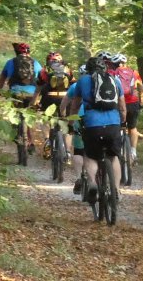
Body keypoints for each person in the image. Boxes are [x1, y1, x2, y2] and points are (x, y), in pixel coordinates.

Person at [66, 57, 126, 204]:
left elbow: (75, 106)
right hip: (113, 124)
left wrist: (71, 123)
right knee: (113, 157)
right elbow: (123, 107)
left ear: (87, 69)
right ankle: (116, 190)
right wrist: (122, 123)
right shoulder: (115, 80)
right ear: (104, 68)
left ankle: (92, 183)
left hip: (92, 124)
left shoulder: (82, 81)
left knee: (90, 155)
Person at [0, 42, 43, 162]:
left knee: (16, 117)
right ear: (29, 52)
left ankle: (18, 135)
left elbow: (3, 78)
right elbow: (43, 78)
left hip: (16, 94)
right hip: (31, 95)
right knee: (28, 117)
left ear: (16, 53)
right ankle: (30, 141)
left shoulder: (10, 62)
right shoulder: (35, 63)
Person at [105, 52, 143, 164]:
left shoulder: (111, 73)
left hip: (118, 103)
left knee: (117, 127)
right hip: (133, 103)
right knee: (132, 128)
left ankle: (117, 150)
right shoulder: (134, 73)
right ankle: (133, 152)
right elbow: (141, 89)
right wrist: (141, 103)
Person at [36, 52, 73, 160]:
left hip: (49, 98)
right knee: (66, 124)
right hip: (65, 98)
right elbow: (73, 84)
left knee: (45, 119)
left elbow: (38, 90)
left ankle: (47, 140)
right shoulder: (67, 70)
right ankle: (68, 152)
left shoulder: (44, 71)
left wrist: (33, 103)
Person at [61, 64, 89, 195]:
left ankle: (79, 178)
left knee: (78, 150)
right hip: (100, 119)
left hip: (79, 117)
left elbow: (65, 103)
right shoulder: (102, 83)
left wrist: (62, 115)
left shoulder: (76, 86)